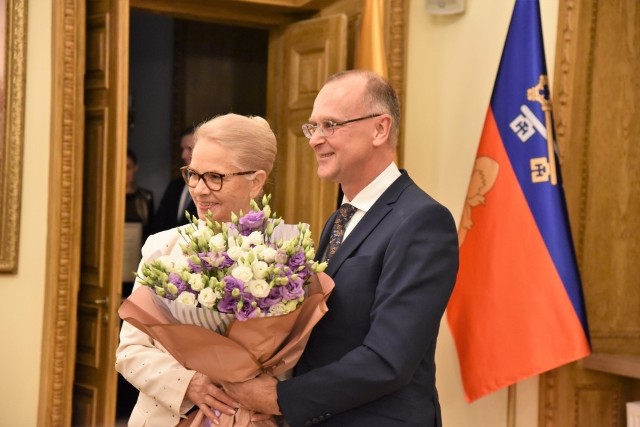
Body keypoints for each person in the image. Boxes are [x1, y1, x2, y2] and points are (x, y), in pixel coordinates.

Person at [222, 70, 459, 426]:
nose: (315, 139)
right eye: (312, 127)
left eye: (330, 125)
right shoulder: (339, 219)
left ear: (380, 129)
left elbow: (388, 360)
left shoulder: (422, 221)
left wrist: (279, 398)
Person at [115, 113, 278, 426]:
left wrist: (268, 401)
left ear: (255, 181)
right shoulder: (160, 249)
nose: (199, 190)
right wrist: (187, 383)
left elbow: (295, 363)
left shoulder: (285, 259)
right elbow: (130, 351)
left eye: (215, 177)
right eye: (193, 174)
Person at [149, 126, 199, 234]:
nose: (183, 155)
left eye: (189, 149)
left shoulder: (211, 187)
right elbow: (158, 225)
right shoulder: (175, 186)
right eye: (182, 149)